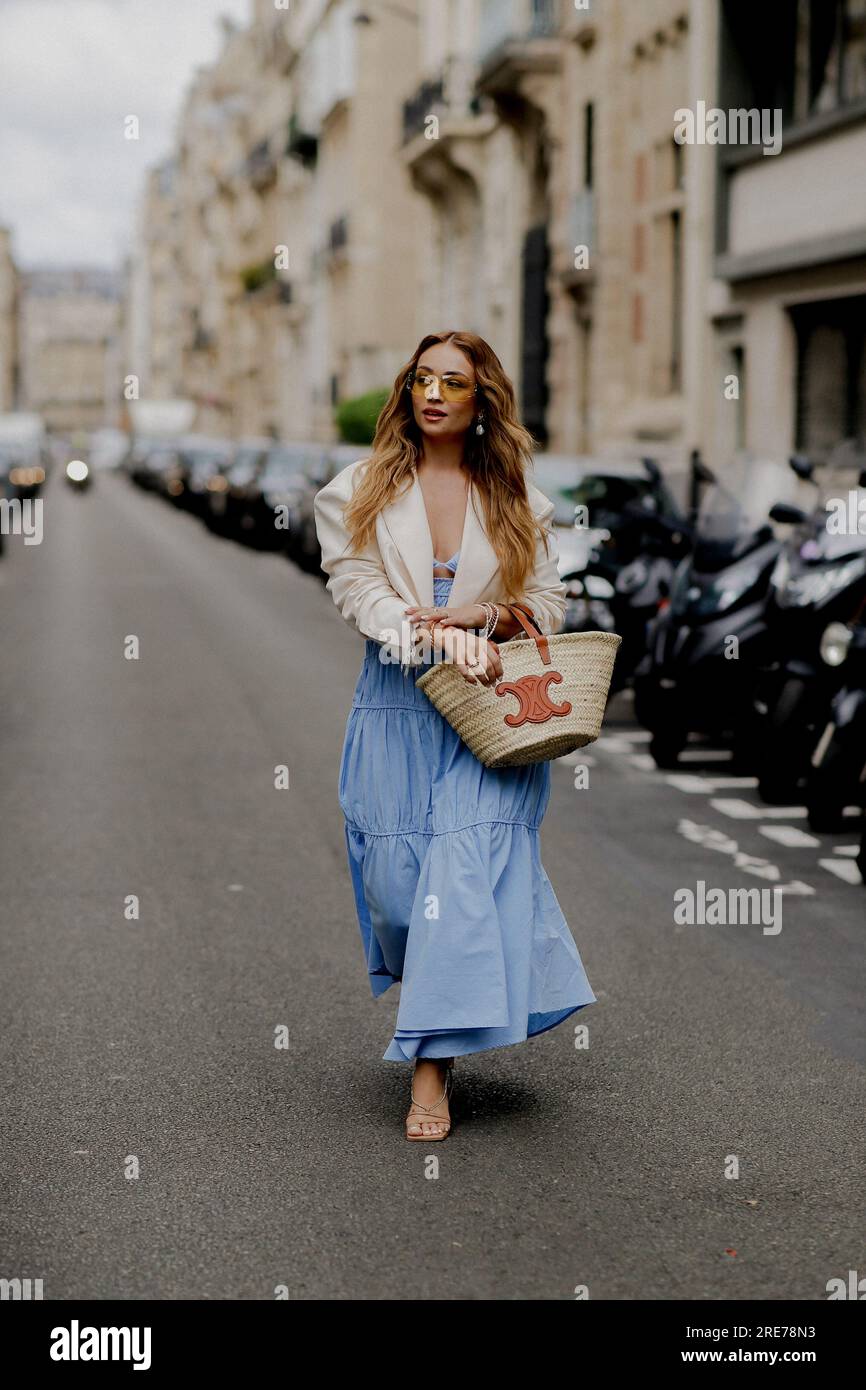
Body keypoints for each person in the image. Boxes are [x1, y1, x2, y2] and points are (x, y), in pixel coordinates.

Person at [314, 331, 596, 1141]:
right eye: (423, 380)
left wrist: (486, 615)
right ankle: (447, 992)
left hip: (490, 715)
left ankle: (430, 1075)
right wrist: (432, 633)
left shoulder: (515, 496)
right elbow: (356, 589)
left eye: (455, 383)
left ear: (481, 403)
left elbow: (548, 603)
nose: (435, 394)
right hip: (398, 708)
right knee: (402, 893)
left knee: (462, 882)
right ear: (407, 392)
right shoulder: (359, 489)